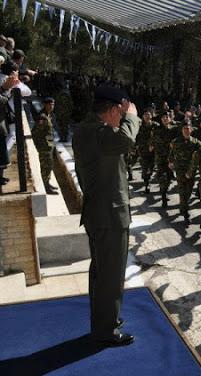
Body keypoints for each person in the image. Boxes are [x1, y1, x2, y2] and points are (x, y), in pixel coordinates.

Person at [72, 85, 140, 346]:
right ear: (112, 110)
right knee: (110, 276)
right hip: (109, 216)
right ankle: (105, 331)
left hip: (100, 213)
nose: (121, 120)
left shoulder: (88, 130)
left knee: (101, 273)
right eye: (120, 115)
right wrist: (132, 116)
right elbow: (126, 140)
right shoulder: (98, 133)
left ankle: (104, 319)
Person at [168, 121, 201, 224]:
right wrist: (170, 162)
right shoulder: (176, 141)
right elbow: (171, 153)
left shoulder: (195, 142)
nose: (187, 131)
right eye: (185, 129)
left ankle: (183, 205)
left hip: (191, 170)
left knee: (188, 190)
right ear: (182, 130)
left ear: (191, 130)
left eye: (188, 129)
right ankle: (185, 211)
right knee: (182, 190)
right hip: (180, 170)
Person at [31, 97, 58, 194]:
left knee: (49, 165)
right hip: (44, 146)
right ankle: (46, 186)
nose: (51, 106)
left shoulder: (47, 115)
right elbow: (35, 132)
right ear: (44, 105)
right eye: (49, 104)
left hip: (48, 145)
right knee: (46, 166)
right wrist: (40, 145)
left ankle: (47, 183)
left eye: (53, 104)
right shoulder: (42, 117)